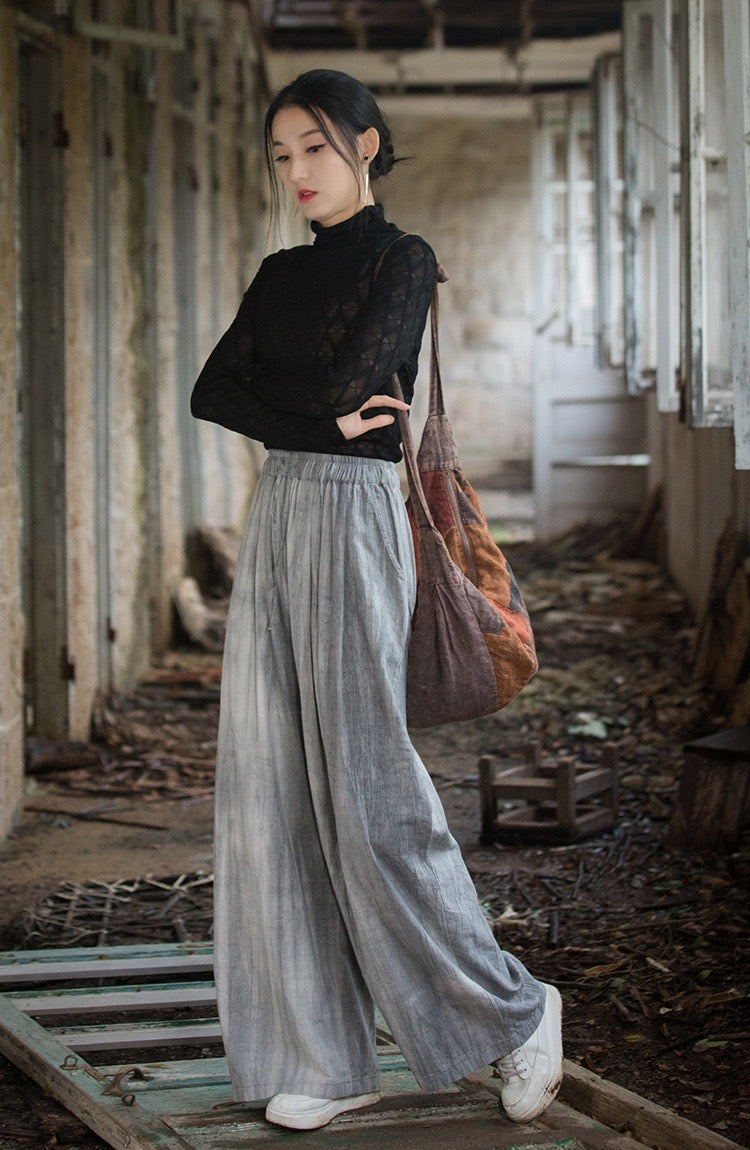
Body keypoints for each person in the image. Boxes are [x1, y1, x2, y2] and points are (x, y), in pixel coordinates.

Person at [191, 68, 563, 1133]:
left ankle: (516, 1010)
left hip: (357, 518)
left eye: (314, 147)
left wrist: (302, 405)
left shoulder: (403, 259)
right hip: (281, 514)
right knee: (271, 787)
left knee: (369, 787)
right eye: (281, 156)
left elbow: (349, 385)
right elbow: (212, 390)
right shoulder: (279, 271)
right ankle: (323, 1054)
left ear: (365, 143)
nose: (297, 171)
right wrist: (317, 418)